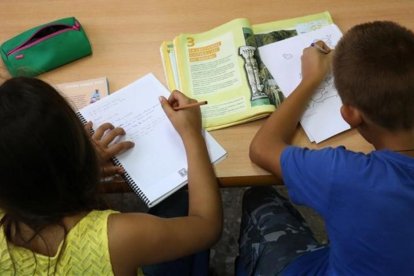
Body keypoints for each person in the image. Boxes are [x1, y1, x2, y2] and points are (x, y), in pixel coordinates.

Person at [237, 21, 414, 275]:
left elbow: (262, 148)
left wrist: (310, 79)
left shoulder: (348, 176)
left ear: (350, 115)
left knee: (258, 197)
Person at [0, 77, 223, 275]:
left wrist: (77, 167)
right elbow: (207, 226)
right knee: (177, 200)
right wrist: (192, 133)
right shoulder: (119, 237)